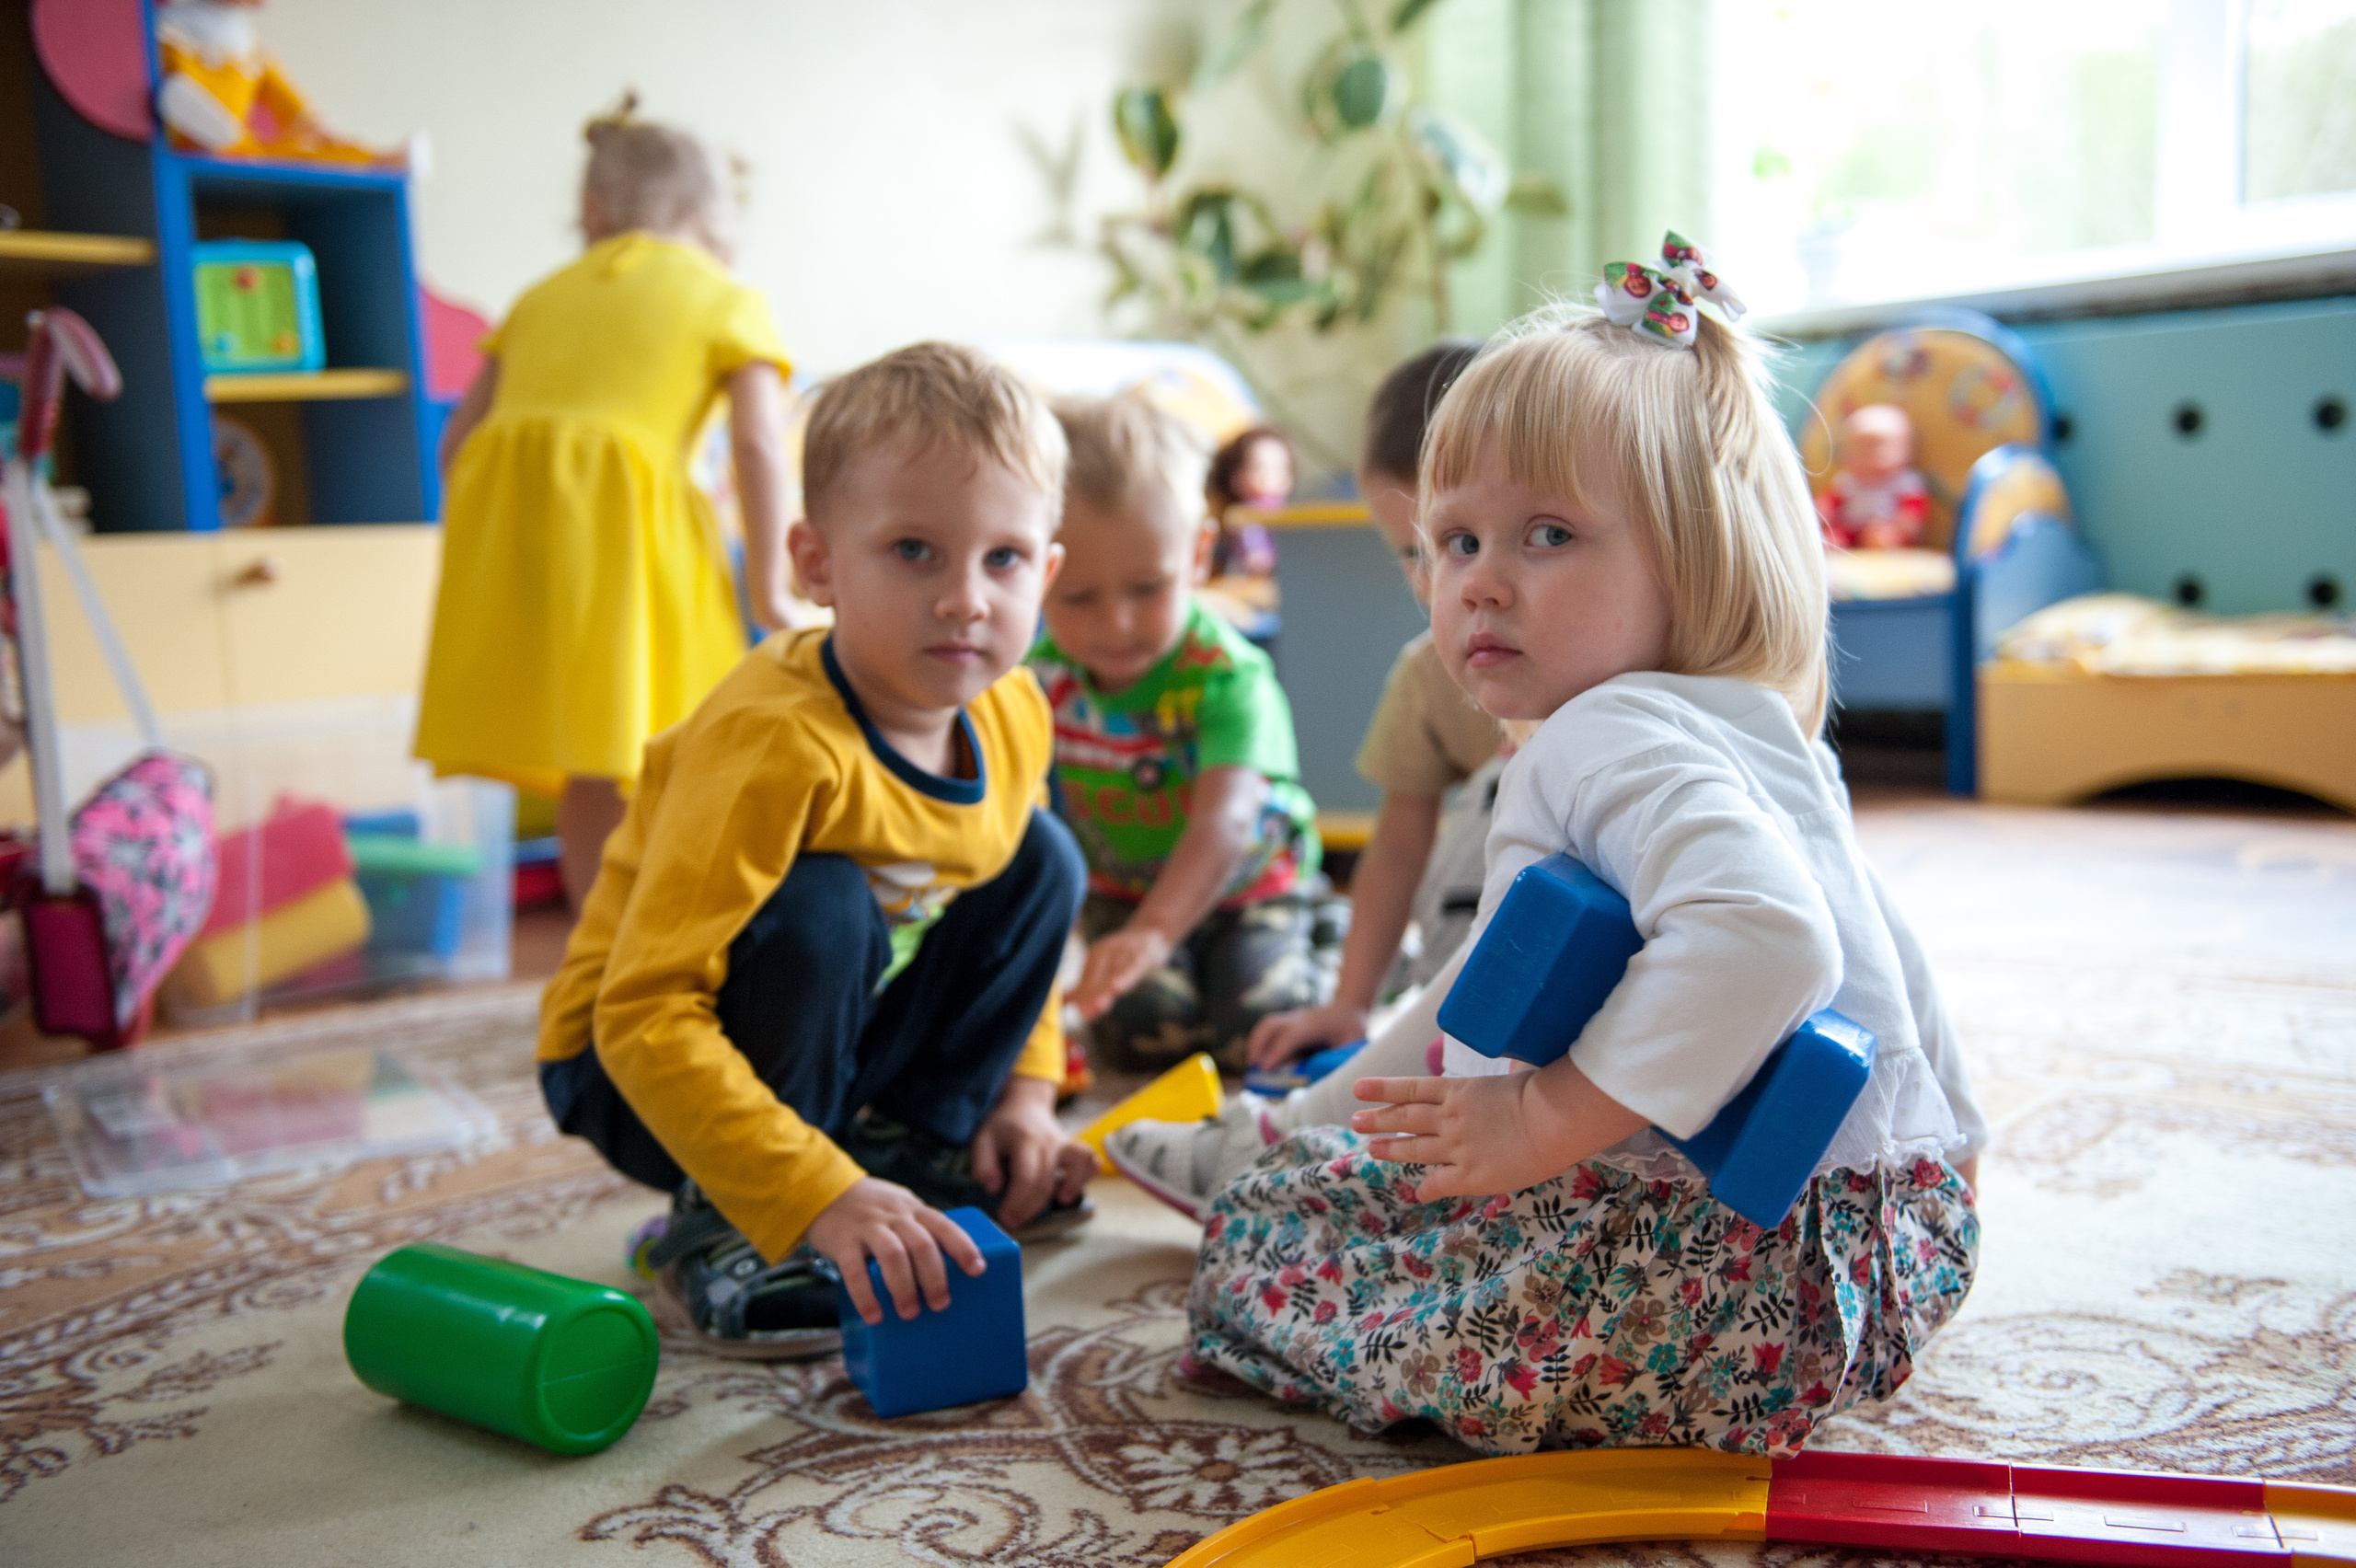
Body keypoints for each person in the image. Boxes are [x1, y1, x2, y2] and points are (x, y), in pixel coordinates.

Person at [1179, 258, 1988, 1456]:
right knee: (1363, 1181)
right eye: (1451, 542)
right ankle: (1301, 1147)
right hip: (1886, 1255)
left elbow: (1770, 941)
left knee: (1264, 1254)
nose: (1481, 584)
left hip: (1730, 1283)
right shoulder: (1765, 732)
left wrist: (1544, 1118)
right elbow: (1896, 989)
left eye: (1547, 534)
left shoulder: (1602, 733)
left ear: (1693, 555)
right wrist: (1325, 1113)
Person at [537, 342, 1098, 1358]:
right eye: (914, 550)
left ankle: (911, 1153)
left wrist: (1026, 1092)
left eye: (1002, 559)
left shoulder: (1015, 708)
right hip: (629, 1070)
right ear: (814, 565)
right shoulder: (774, 742)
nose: (966, 598)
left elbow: (1023, 927)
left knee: (1044, 856)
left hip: (843, 1035)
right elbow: (642, 1016)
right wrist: (807, 1193)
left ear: (1045, 572)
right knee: (824, 905)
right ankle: (729, 1213)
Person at [417, 98, 797, 909]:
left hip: (524, 552)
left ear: (595, 212)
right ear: (713, 224)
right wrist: (773, 586)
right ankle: (690, 931)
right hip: (635, 549)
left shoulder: (538, 296)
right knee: (690, 736)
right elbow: (763, 445)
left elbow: (456, 448)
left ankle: (599, 945)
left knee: (595, 757)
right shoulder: (726, 297)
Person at [1030, 395, 1341, 1072]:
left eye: (1147, 588)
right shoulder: (1038, 680)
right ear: (1037, 572)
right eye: (1079, 598)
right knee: (1146, 1035)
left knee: (1255, 1038)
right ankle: (1181, 965)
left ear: (1198, 555)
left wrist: (1153, 934)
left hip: (1249, 883)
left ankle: (1327, 933)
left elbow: (1222, 825)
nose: (1116, 625)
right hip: (1126, 893)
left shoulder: (1229, 677)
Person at [1246, 340, 1496, 1071]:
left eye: (1464, 542)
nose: (1437, 582)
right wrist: (1351, 1003)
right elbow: (1395, 845)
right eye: (1412, 554)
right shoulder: (1428, 678)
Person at [1204, 424, 1293, 581]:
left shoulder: (1291, 513)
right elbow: (1254, 556)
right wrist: (1260, 560)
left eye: (1280, 468)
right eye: (1259, 468)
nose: (1270, 477)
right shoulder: (1245, 515)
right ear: (1235, 478)